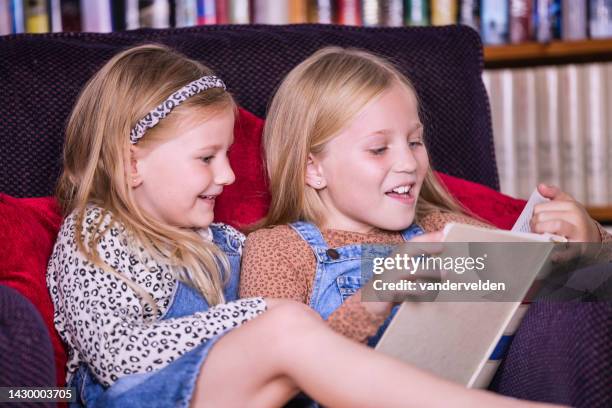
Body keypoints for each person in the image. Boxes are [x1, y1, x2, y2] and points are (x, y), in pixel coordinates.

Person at [46, 43, 555, 408]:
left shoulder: (223, 242)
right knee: (286, 324)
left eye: (227, 155)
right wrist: (258, 314)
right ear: (130, 163)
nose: (227, 175)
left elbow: (570, 277)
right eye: (207, 157)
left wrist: (574, 236)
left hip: (244, 391)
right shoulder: (94, 234)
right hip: (140, 396)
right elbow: (116, 357)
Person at [240, 46, 610, 347]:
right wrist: (373, 302)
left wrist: (589, 241)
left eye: (415, 141)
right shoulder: (277, 249)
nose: (408, 162)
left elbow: (570, 291)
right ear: (313, 168)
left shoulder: (442, 228)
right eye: (378, 149)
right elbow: (270, 371)